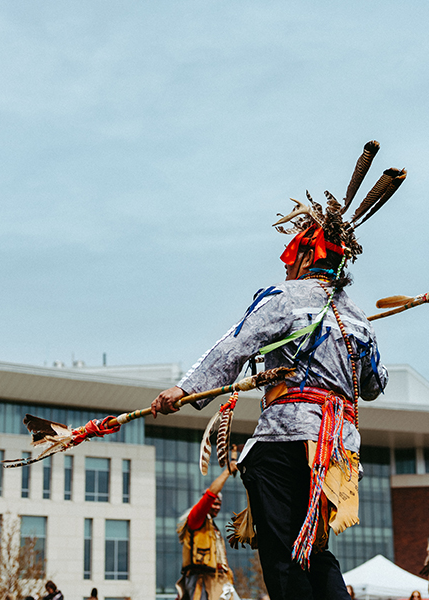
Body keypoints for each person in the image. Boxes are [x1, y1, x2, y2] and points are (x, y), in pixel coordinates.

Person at [150, 142, 400, 600]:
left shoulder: (284, 299)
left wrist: (184, 389)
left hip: (286, 441)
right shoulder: (360, 319)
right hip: (335, 454)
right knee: (316, 552)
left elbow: (234, 347)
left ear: (308, 254)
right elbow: (373, 385)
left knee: (283, 555)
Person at [175, 462, 240, 600]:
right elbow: (211, 494)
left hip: (218, 579)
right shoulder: (196, 518)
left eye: (219, 505)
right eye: (214, 503)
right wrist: (227, 471)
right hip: (202, 579)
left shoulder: (211, 526)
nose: (217, 507)